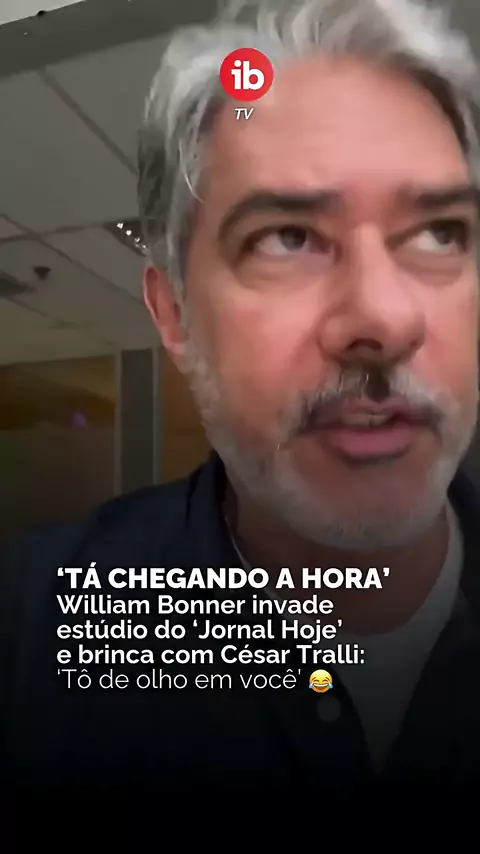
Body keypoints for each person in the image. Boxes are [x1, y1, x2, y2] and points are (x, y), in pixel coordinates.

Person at [1, 0, 480, 813]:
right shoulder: (31, 632)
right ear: (175, 315)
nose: (385, 317)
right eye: (286, 237)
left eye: (439, 233)